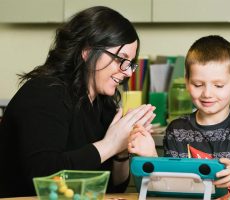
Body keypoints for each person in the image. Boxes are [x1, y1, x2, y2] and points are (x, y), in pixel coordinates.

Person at [0, 6, 155, 197]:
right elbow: (43, 177)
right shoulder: (44, 93)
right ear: (88, 52)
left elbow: (113, 188)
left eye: (131, 63)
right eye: (120, 59)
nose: (129, 72)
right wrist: (110, 144)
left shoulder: (103, 104)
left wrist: (121, 150)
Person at [128, 35, 230, 194]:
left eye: (218, 85)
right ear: (187, 83)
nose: (207, 93)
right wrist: (150, 157)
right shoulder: (177, 129)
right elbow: (168, 185)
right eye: (198, 84)